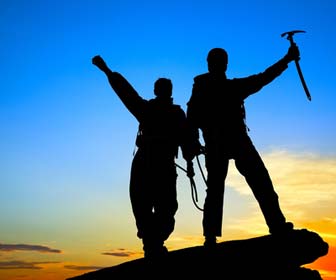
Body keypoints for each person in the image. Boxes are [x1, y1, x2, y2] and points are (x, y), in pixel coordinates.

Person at [186, 44, 300, 247]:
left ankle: (213, 236)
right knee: (241, 186)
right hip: (227, 142)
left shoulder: (209, 89)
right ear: (221, 64)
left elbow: (262, 78)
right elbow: (262, 78)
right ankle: (274, 225)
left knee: (253, 183)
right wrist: (287, 60)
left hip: (226, 143)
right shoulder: (219, 88)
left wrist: (286, 60)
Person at [92, 55, 195, 260]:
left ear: (159, 91)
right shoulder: (161, 112)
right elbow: (125, 91)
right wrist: (107, 70)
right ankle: (152, 246)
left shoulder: (158, 111)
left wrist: (107, 70)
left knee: (159, 209)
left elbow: (126, 92)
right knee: (147, 208)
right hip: (153, 165)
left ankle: (152, 245)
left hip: (156, 165)